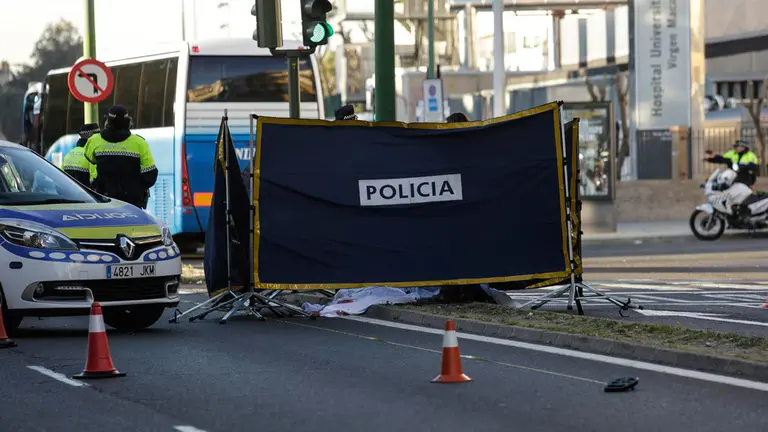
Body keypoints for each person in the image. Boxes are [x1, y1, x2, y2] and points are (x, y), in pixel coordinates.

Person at [84, 105, 158, 208]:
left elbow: (90, 160)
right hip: (132, 202)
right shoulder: (139, 143)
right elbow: (151, 173)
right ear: (128, 122)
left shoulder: (94, 140)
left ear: (107, 122)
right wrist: (136, 189)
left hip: (105, 199)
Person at [61, 123, 100, 187]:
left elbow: (61, 179)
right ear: (91, 135)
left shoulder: (68, 155)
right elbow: (95, 182)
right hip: (86, 196)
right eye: (98, 135)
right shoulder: (91, 156)